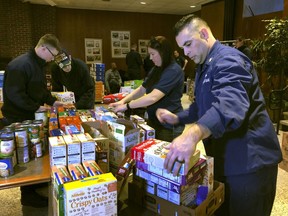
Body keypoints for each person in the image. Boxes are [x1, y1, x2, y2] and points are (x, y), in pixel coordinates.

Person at [156, 14, 282, 216]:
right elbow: (203, 106)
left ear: (204, 33)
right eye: (182, 48)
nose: (186, 53)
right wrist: (178, 117)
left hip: (250, 165)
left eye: (188, 44)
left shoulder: (229, 60)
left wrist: (192, 134)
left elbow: (230, 104)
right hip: (226, 160)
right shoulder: (204, 65)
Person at [1, 33, 64, 207]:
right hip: (17, 118)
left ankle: (36, 183)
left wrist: (52, 101)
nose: (52, 59)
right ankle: (27, 196)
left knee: (35, 151)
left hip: (30, 117)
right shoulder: (19, 65)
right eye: (52, 55)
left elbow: (41, 89)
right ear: (43, 48)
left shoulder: (38, 64)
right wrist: (35, 107)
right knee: (25, 156)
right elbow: (15, 94)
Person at [109, 36, 185, 142]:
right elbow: (142, 89)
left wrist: (127, 106)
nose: (150, 58)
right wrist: (122, 101)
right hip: (154, 121)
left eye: (153, 54)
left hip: (168, 126)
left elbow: (153, 97)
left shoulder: (173, 70)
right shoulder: (156, 68)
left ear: (163, 53)